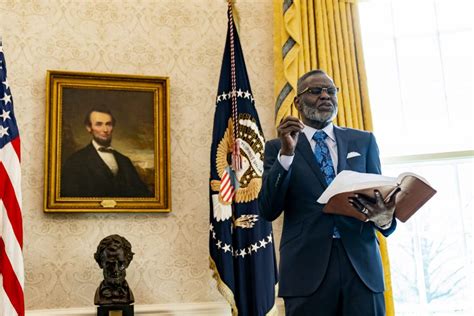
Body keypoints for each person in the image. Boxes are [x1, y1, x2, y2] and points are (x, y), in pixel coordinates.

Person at [258, 70, 399, 315]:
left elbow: (381, 199)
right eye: (315, 91)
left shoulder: (363, 141)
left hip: (362, 270)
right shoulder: (277, 147)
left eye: (330, 91)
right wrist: (287, 154)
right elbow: (269, 209)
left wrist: (385, 217)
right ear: (298, 102)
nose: (325, 96)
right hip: (306, 272)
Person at [61, 106, 153, 197]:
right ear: (89, 128)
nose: (105, 130)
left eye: (108, 124)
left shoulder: (125, 161)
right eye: (99, 124)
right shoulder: (75, 161)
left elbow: (143, 195)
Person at [94, 234, 135, 305]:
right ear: (100, 263)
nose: (116, 270)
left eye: (121, 264)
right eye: (110, 264)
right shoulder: (99, 295)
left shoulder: (128, 294)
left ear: (127, 262)